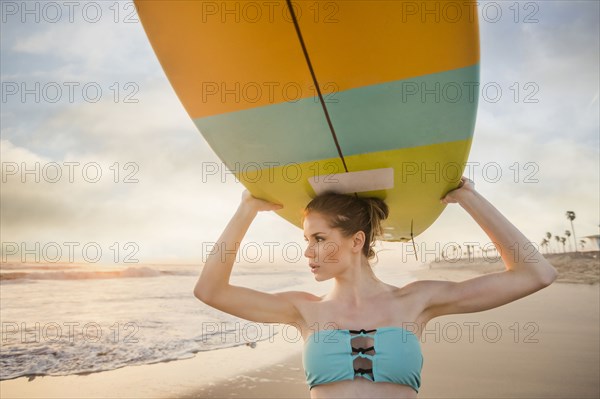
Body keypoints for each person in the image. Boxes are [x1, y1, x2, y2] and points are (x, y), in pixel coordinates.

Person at [194, 177, 558, 398]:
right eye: (306, 239)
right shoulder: (304, 309)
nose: (308, 251)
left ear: (356, 241)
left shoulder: (417, 300)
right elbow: (211, 290)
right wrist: (246, 210)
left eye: (319, 238)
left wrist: (468, 198)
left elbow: (535, 273)